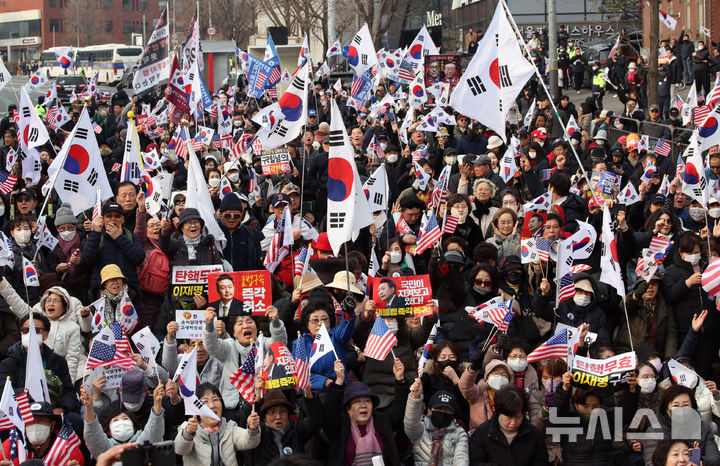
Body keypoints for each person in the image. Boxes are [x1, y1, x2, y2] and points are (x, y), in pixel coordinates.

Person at [323, 361, 409, 466]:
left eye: (367, 401)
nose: (363, 405)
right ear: (348, 408)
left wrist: (400, 380)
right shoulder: (340, 425)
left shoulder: (381, 421)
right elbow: (331, 410)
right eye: (357, 401)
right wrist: (339, 380)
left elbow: (399, 409)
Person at [174, 383, 261, 466]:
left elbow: (249, 442)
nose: (211, 405)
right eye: (205, 402)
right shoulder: (187, 428)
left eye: (215, 400)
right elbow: (180, 449)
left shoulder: (229, 427)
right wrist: (188, 434)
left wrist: (252, 429)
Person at [469, 385, 548, 465]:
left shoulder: (533, 435)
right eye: (508, 418)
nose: (513, 422)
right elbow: (475, 462)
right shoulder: (482, 434)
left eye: (517, 417)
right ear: (499, 412)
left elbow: (542, 462)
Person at [404, 381, 469, 465]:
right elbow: (410, 421)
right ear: (429, 411)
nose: (443, 413)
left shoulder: (459, 433)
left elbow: (461, 459)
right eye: (439, 409)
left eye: (447, 410)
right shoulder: (420, 429)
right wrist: (415, 397)